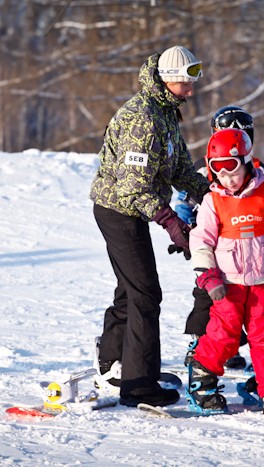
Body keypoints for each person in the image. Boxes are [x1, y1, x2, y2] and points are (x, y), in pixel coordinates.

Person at [89, 45, 210, 408]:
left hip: (129, 210)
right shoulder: (144, 117)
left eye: (194, 80)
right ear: (167, 79)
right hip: (118, 211)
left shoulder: (166, 113)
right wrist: (171, 221)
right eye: (186, 80)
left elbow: (180, 170)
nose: (191, 88)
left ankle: (113, 362)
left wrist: (213, 195)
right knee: (145, 293)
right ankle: (139, 384)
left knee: (131, 289)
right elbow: (132, 186)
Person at [174, 106, 264, 370]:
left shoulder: (256, 169)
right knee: (210, 294)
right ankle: (200, 342)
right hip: (214, 239)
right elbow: (184, 199)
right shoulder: (205, 168)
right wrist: (184, 228)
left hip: (251, 245)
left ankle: (235, 346)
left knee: (247, 302)